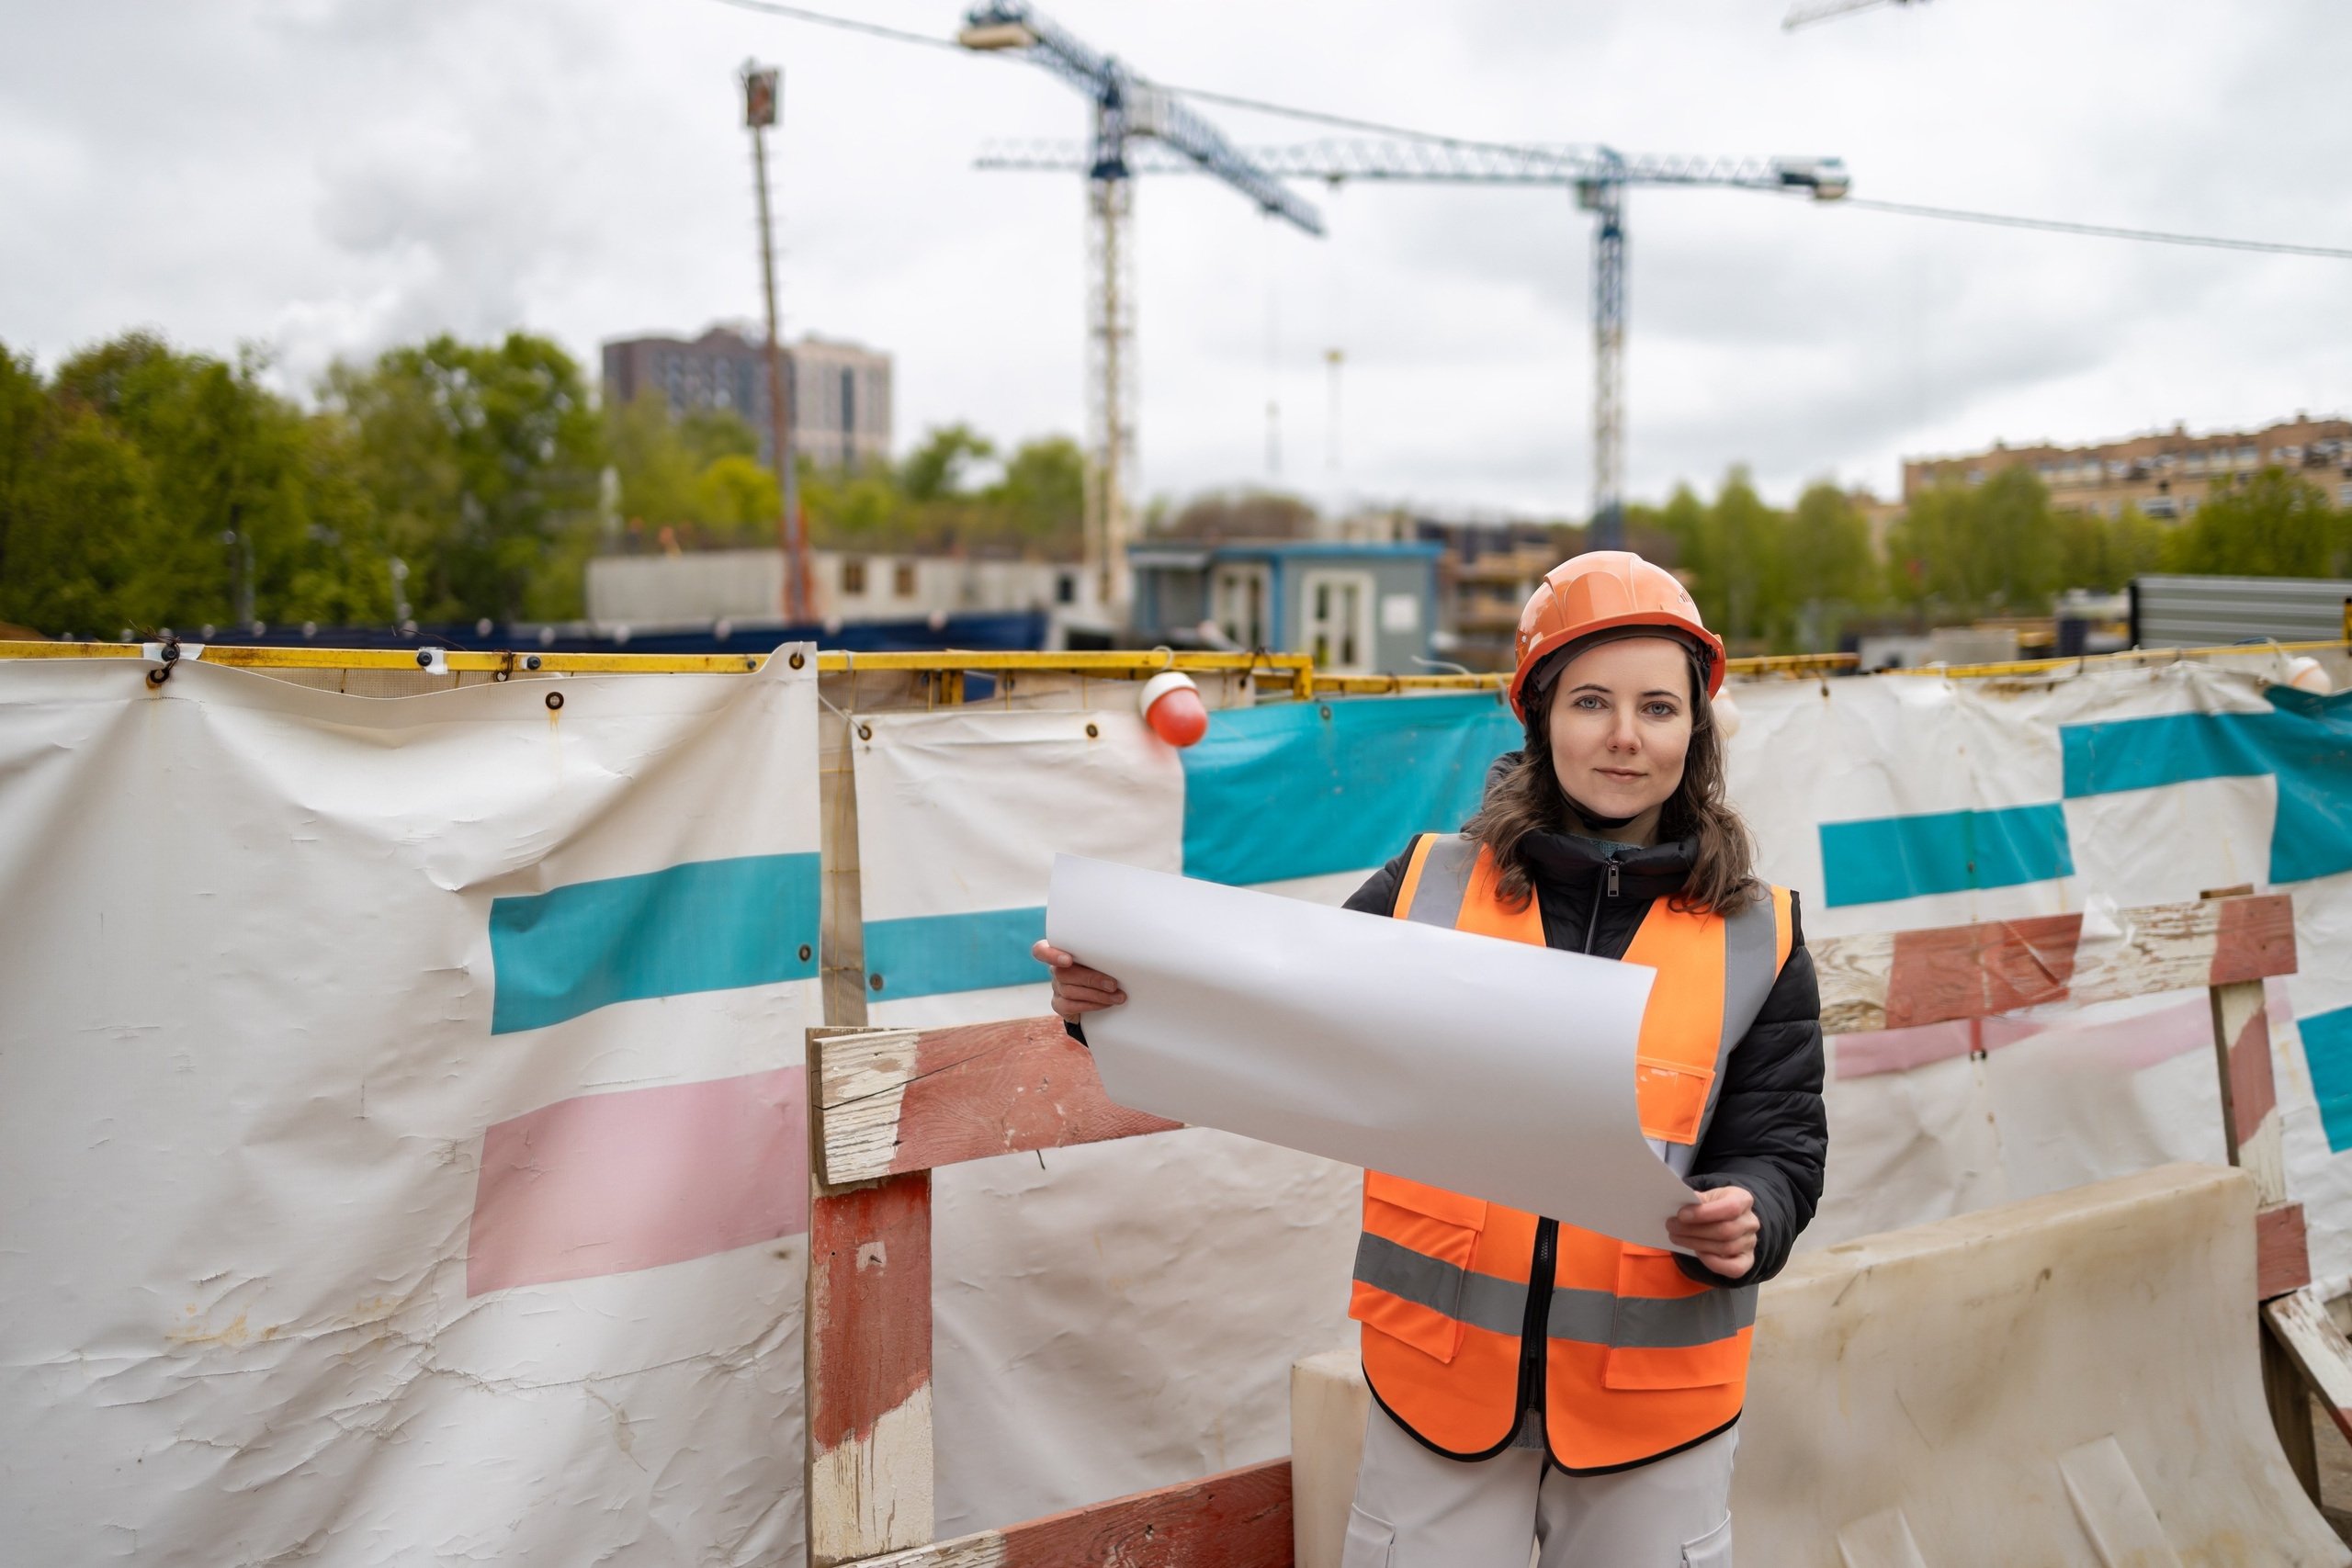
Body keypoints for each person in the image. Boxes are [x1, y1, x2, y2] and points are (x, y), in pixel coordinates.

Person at [1032, 551, 1825, 1568]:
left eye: (1658, 708)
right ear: (1539, 715)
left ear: (1695, 729)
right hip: (1439, 1395)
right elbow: (1278, 1022)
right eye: (1591, 701)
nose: (1625, 736)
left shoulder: (1759, 936)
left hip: (1654, 1415)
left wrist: (1752, 1212)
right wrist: (1113, 1001)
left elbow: (1783, 1146)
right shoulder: (1427, 890)